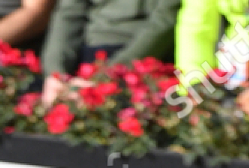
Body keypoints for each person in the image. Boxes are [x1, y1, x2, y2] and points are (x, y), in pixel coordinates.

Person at [40, 0, 179, 101]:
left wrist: (110, 75)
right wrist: (56, 74)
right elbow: (68, 14)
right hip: (85, 55)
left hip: (143, 59)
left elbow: (165, 20)